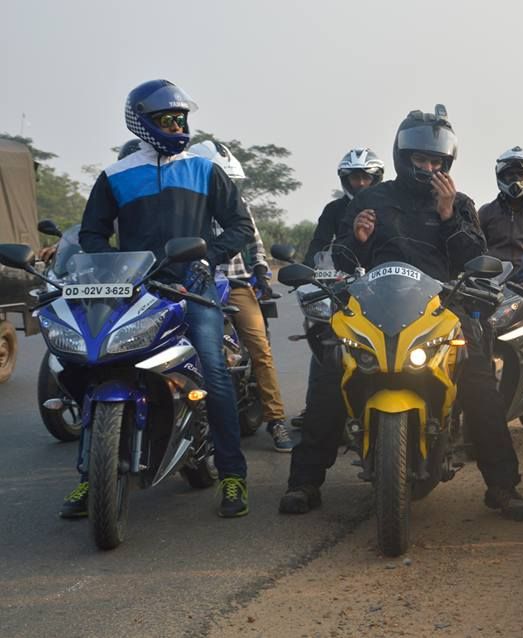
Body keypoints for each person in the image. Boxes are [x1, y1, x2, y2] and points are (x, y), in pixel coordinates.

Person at [298, 106, 523, 521]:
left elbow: (473, 258)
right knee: (331, 369)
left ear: (447, 163)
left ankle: (502, 487)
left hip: (442, 305)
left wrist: (448, 216)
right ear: (402, 158)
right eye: (420, 160)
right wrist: (358, 239)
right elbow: (344, 259)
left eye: (436, 162)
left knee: (479, 383)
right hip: (376, 303)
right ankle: (303, 482)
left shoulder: (459, 203)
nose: (428, 168)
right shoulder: (371, 199)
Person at [66, 79, 255, 519]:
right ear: (141, 122)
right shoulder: (115, 175)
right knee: (92, 363)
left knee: (213, 370)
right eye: (167, 119)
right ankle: (90, 475)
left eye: (181, 119)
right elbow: (92, 232)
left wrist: (210, 256)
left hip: (194, 284)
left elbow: (240, 227)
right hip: (136, 288)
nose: (177, 127)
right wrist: (110, 264)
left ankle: (232, 474)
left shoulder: (204, 170)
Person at [189, 139, 293, 453]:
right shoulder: (186, 205)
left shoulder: (238, 204)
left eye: (231, 181)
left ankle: (275, 419)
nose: (228, 187)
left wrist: (261, 272)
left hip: (235, 284)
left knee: (260, 348)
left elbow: (255, 244)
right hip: (193, 285)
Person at [288, 147, 384, 432]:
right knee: (326, 340)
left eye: (366, 177)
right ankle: (315, 407)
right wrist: (309, 272)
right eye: (355, 177)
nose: (361, 183)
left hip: (384, 287)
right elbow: (318, 245)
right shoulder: (333, 210)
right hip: (343, 286)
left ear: (377, 178)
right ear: (345, 179)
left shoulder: (390, 208)